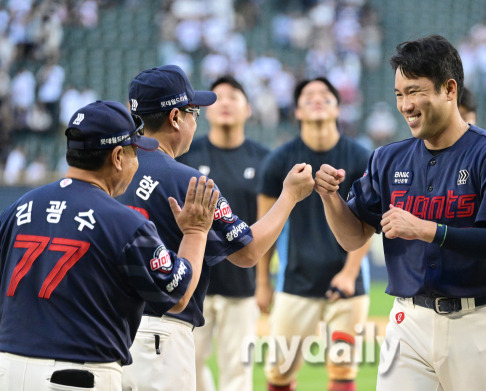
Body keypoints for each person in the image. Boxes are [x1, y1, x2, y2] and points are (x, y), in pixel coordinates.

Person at [315, 35, 486, 391]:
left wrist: (428, 229)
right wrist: (330, 198)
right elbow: (353, 235)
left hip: (479, 322)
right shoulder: (388, 158)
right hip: (410, 322)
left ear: (450, 89)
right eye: (399, 94)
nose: (405, 105)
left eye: (415, 91)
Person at [118, 65, 314, 391]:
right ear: (175, 118)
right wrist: (290, 196)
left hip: (108, 328)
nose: (197, 120)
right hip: (160, 336)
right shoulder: (186, 180)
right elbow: (247, 252)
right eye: (194, 111)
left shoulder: (109, 168)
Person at [0, 100, 218, 391]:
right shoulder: (124, 223)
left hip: (7, 369)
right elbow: (176, 295)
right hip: (75, 375)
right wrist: (195, 231)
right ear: (118, 157)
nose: (137, 162)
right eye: (135, 153)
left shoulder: (19, 208)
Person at [256, 77, 371, 391]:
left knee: (343, 371)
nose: (317, 99)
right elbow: (265, 225)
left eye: (325, 95)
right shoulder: (278, 161)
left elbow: (368, 224)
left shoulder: (362, 158)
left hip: (348, 284)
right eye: (308, 96)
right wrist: (263, 283)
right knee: (279, 373)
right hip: (295, 281)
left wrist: (349, 273)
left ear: (338, 107)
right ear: (297, 111)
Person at [177, 75, 269, 391]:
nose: (225, 103)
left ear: (248, 109)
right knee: (187, 367)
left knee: (238, 373)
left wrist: (264, 283)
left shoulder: (263, 159)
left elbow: (265, 226)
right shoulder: (187, 156)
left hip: (242, 286)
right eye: (218, 98)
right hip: (193, 282)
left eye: (234, 96)